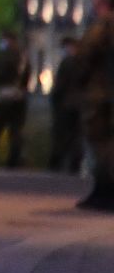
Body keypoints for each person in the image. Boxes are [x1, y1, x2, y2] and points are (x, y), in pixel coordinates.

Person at [77, 0, 114, 211]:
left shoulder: (103, 25)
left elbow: (85, 56)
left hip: (102, 95)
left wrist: (81, 83)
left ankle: (104, 191)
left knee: (101, 144)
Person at [0, 31, 30, 169]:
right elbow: (27, 77)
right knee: (16, 131)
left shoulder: (3, 57)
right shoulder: (23, 56)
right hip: (19, 97)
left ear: (7, 40)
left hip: (4, 96)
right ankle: (13, 161)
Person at [51, 35, 86, 175]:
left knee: (64, 134)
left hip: (66, 104)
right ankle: (75, 163)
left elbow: (60, 85)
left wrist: (55, 99)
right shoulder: (84, 63)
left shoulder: (67, 62)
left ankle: (58, 162)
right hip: (80, 103)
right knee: (77, 135)